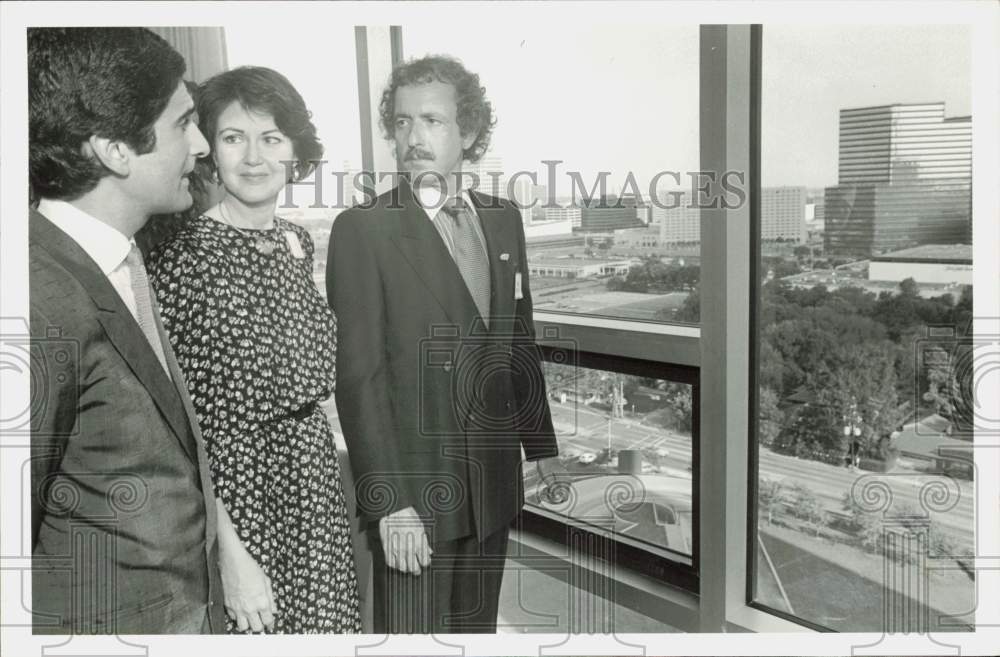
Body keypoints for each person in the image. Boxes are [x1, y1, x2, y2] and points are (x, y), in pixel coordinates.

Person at [327, 55, 561, 634]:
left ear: (470, 133)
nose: (413, 138)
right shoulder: (364, 230)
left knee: (475, 634)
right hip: (416, 498)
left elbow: (518, 342)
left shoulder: (503, 220)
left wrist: (542, 449)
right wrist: (389, 504)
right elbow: (359, 379)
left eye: (431, 121)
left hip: (492, 485)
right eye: (402, 123)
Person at [146, 66, 362, 634]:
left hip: (311, 485)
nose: (253, 157)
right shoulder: (181, 256)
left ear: (296, 150)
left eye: (271, 138)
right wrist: (231, 553)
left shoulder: (297, 240)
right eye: (233, 137)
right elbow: (180, 430)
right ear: (209, 151)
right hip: (238, 496)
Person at [28, 27, 225, 634]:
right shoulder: (37, 298)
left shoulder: (117, 263)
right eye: (183, 122)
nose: (200, 145)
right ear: (115, 150)